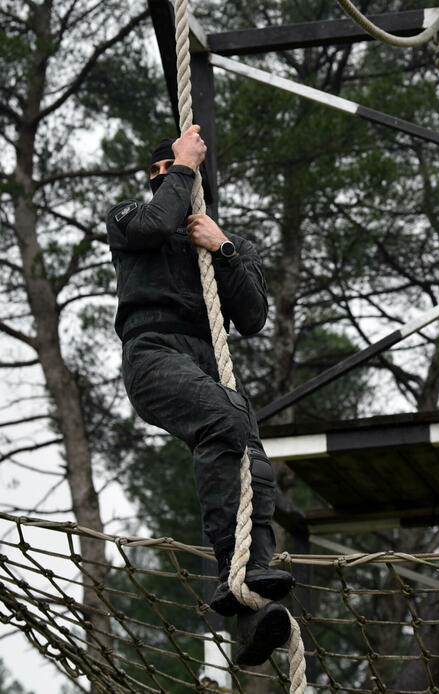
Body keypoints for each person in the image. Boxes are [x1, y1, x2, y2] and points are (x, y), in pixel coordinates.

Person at [107, 125, 293, 666]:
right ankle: (231, 571)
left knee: (250, 457)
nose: (164, 177)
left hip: (205, 362)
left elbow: (252, 317)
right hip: (153, 353)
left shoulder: (220, 240)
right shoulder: (129, 219)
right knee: (226, 419)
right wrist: (185, 164)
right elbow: (156, 221)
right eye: (159, 171)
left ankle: (249, 598)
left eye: (173, 168)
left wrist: (224, 249)